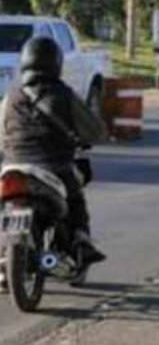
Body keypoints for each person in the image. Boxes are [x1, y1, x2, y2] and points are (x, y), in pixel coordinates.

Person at [0, 37, 107, 272]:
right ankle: (81, 243)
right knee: (75, 200)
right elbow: (95, 131)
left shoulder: (10, 97)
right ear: (56, 63)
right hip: (54, 166)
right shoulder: (63, 95)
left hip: (12, 167)